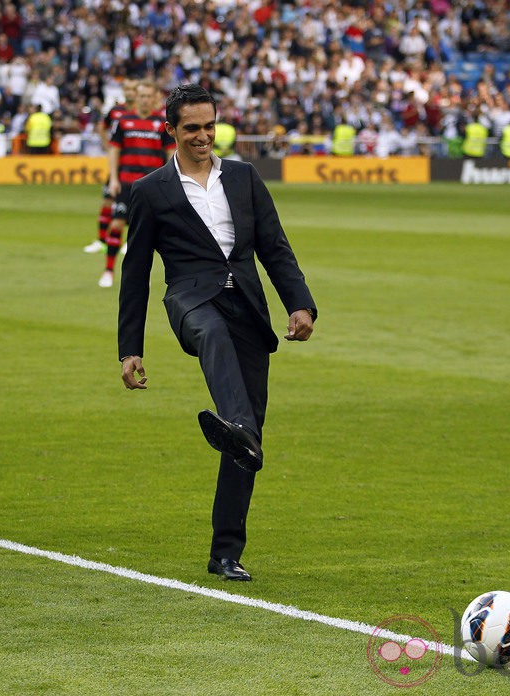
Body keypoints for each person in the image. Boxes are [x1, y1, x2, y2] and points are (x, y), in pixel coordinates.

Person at [118, 84, 317, 582]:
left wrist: (300, 303)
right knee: (214, 343)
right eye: (192, 128)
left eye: (209, 126)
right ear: (172, 131)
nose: (204, 136)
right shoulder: (148, 191)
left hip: (247, 306)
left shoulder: (246, 177)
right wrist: (130, 349)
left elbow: (275, 246)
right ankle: (237, 425)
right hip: (190, 302)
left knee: (246, 436)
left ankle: (225, 553)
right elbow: (136, 273)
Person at [98, 79, 175, 288]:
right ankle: (108, 270)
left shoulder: (163, 123)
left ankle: (146, 274)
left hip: (152, 185)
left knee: (152, 231)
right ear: (136, 97)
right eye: (141, 96)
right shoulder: (124, 121)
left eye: (149, 96)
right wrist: (113, 178)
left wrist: (170, 181)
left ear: (155, 98)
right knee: (116, 224)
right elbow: (114, 150)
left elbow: (170, 154)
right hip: (127, 182)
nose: (144, 100)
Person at [83, 79, 136, 255]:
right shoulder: (116, 111)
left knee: (135, 204)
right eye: (126, 89)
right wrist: (108, 146)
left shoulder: (143, 113)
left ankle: (131, 241)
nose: (129, 92)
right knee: (107, 200)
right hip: (118, 165)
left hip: (137, 165)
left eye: (132, 89)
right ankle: (101, 240)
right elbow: (102, 126)